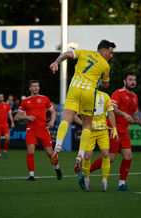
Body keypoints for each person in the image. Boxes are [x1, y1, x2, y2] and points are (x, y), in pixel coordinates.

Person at [49, 39, 116, 173]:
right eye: (110, 52)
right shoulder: (105, 65)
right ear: (103, 50)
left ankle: (57, 147)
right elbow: (106, 85)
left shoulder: (84, 53)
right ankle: (79, 156)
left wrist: (56, 62)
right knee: (87, 126)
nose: (111, 55)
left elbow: (67, 54)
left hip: (74, 88)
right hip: (89, 93)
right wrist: (98, 81)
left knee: (65, 119)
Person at [88, 71, 141, 191]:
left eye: (134, 80)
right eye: (130, 80)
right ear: (124, 81)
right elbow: (112, 109)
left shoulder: (134, 96)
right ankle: (86, 171)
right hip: (114, 128)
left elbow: (133, 114)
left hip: (124, 131)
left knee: (128, 156)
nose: (132, 82)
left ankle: (121, 184)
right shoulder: (118, 93)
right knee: (111, 158)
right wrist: (124, 114)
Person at [15, 80, 61, 181]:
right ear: (30, 88)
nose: (36, 88)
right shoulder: (25, 101)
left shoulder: (44, 98)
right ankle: (31, 175)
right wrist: (27, 117)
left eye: (37, 86)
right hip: (31, 129)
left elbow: (53, 112)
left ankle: (57, 168)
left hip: (43, 129)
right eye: (34, 86)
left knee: (50, 153)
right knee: (30, 150)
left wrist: (52, 121)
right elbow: (17, 117)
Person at [76, 91, 118, 192]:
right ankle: (86, 179)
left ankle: (104, 181)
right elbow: (74, 114)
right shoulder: (83, 96)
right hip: (89, 132)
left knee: (105, 154)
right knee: (87, 156)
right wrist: (84, 124)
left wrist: (114, 128)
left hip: (103, 131)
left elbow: (111, 113)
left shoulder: (104, 96)